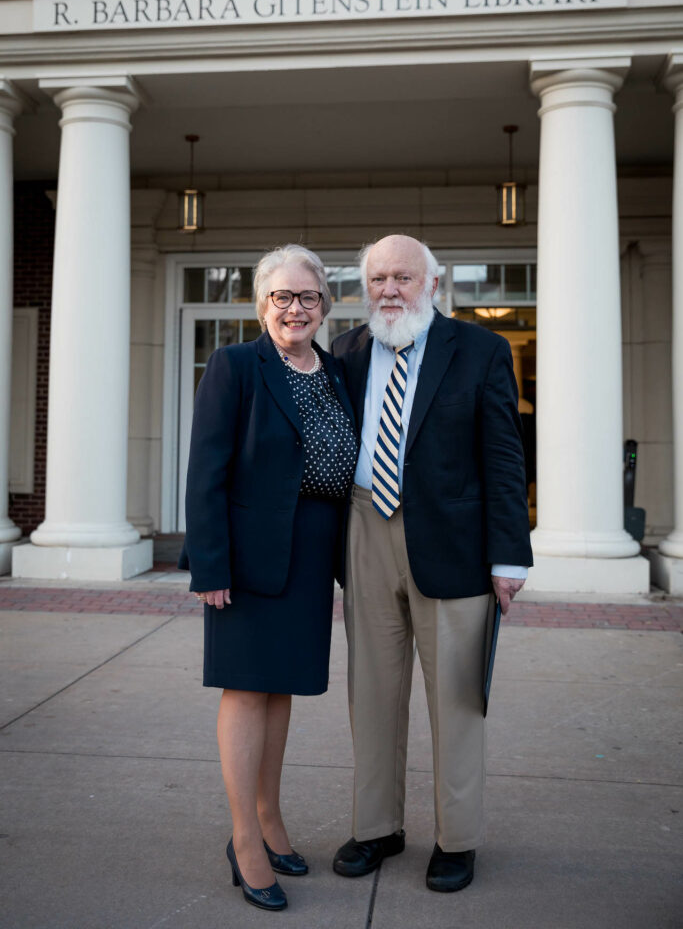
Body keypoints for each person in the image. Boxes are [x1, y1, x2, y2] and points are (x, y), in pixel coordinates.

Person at [330, 234, 532, 893]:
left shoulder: (479, 350)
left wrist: (508, 555)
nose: (389, 289)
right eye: (378, 278)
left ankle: (456, 839)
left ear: (433, 285)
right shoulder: (348, 351)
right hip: (363, 529)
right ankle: (376, 827)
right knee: (371, 695)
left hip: (452, 543)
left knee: (454, 700)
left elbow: (504, 455)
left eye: (403, 277)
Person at [179, 245, 358, 912]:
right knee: (247, 691)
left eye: (307, 296)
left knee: (281, 691)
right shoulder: (234, 366)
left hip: (311, 552)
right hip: (249, 556)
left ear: (324, 305)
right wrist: (210, 564)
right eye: (281, 296)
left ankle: (271, 818)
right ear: (261, 304)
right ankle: (244, 839)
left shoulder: (337, 371)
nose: (295, 308)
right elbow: (205, 470)